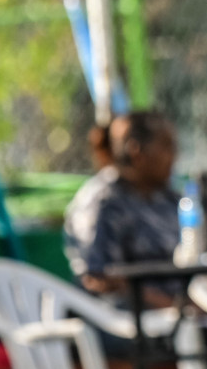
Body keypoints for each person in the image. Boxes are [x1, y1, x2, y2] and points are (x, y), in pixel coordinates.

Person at [62, 110, 183, 310]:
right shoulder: (103, 202)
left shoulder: (168, 198)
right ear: (137, 152)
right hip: (123, 322)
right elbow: (97, 280)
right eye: (166, 146)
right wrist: (174, 306)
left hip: (178, 315)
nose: (174, 156)